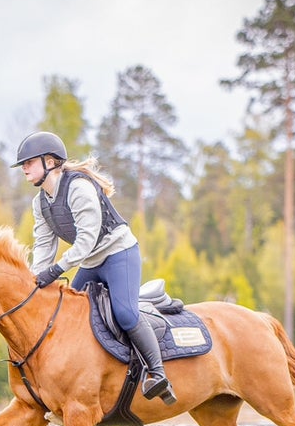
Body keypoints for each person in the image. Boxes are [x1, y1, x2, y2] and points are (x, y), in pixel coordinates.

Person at [11, 131, 176, 405]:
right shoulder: (40, 202)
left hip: (119, 254)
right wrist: (34, 279)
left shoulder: (78, 187)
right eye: (23, 165)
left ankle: (157, 373)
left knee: (125, 314)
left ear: (49, 161)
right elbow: (44, 244)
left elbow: (86, 240)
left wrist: (56, 270)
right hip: (90, 263)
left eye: (28, 162)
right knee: (65, 318)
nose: (24, 168)